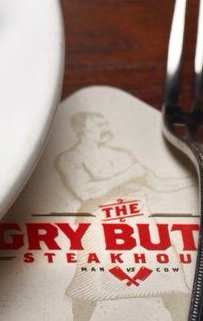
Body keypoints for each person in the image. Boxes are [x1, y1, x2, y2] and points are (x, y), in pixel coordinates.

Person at [55, 111, 191, 321]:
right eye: (99, 124)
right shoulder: (70, 158)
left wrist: (202, 175)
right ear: (82, 130)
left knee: (170, 273)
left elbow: (158, 183)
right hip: (98, 221)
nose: (105, 128)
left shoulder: (122, 155)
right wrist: (127, 175)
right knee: (91, 279)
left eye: (105, 123)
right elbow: (85, 191)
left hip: (138, 217)